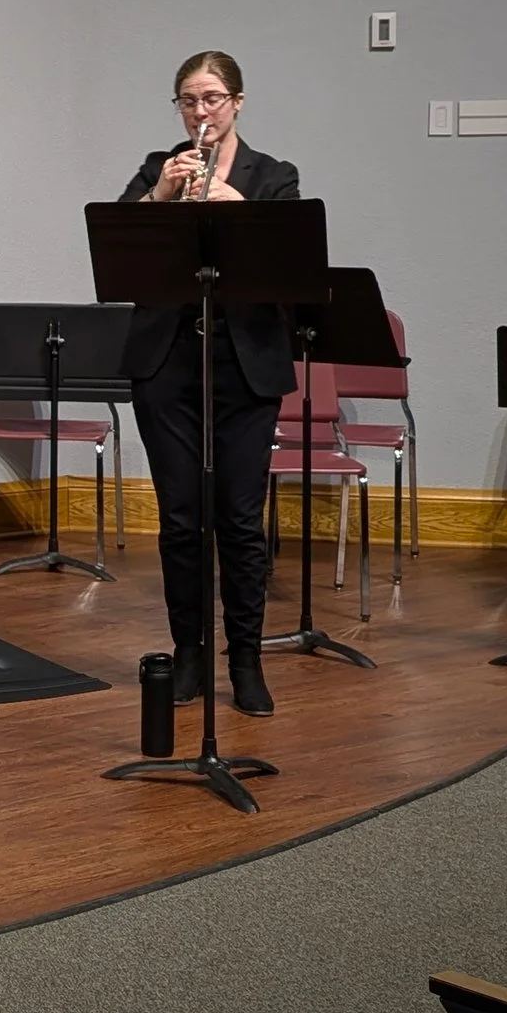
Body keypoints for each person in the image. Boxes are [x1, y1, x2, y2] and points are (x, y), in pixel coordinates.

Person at [118, 49, 301, 718]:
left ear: (238, 104)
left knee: (239, 520)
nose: (202, 113)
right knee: (181, 519)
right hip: (167, 361)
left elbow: (288, 268)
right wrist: (162, 196)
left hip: (244, 364)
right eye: (190, 101)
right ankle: (189, 653)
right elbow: (122, 257)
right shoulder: (155, 170)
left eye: (213, 99)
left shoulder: (274, 177)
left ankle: (246, 660)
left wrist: (238, 206)